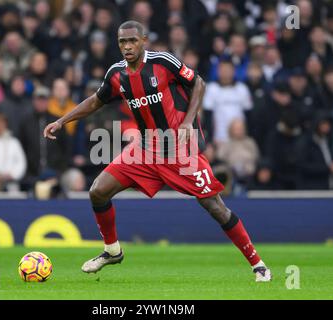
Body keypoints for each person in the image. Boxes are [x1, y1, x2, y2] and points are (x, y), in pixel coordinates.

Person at [44, 21, 271, 282]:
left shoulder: (163, 62)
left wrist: (187, 121)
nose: (127, 46)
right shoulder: (116, 75)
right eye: (122, 42)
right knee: (97, 191)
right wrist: (62, 120)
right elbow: (96, 100)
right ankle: (112, 251)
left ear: (144, 41)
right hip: (145, 149)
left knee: (214, 206)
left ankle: (258, 264)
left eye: (132, 41)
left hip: (180, 150)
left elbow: (198, 83)